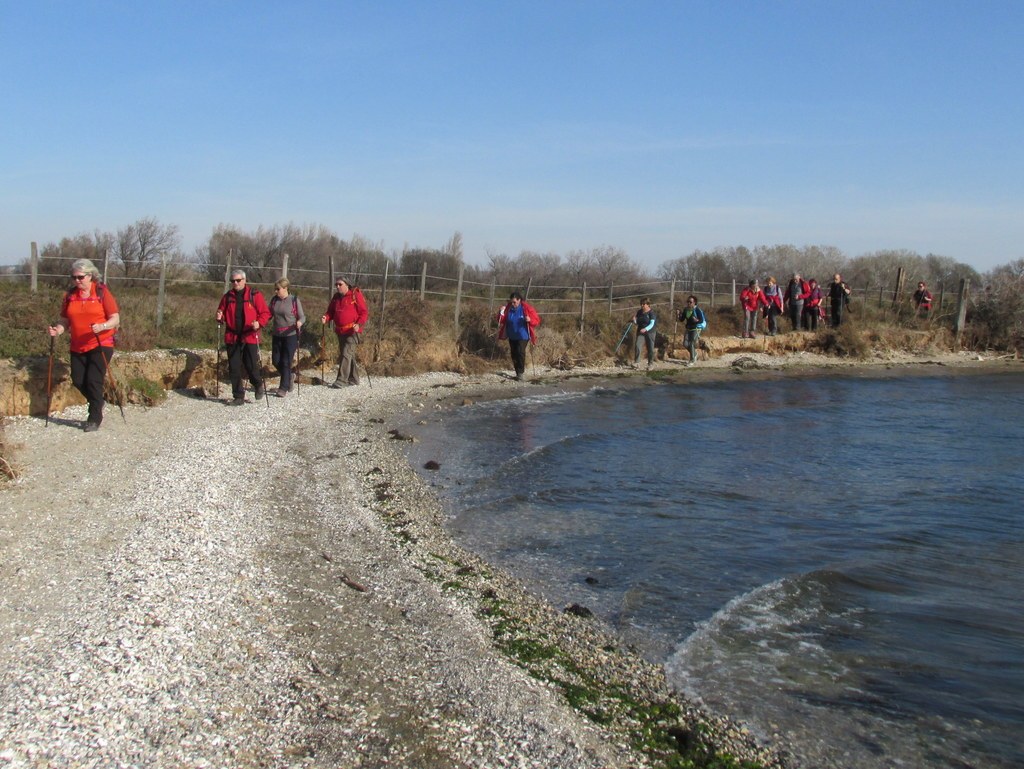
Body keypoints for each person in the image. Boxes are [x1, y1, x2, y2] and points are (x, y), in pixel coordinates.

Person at [47, 259, 120, 431]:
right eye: (73, 277)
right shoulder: (70, 296)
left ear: (90, 276)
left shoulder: (102, 293)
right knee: (79, 381)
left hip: (101, 343)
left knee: (93, 380)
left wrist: (102, 326)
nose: (76, 281)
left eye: (80, 277)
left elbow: (115, 318)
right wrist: (57, 330)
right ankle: (98, 402)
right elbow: (65, 320)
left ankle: (94, 417)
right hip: (78, 345)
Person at [216, 270, 271, 405]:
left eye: (238, 280)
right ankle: (238, 397)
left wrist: (259, 323)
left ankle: (257, 383)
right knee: (234, 367)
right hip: (232, 335)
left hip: (250, 335)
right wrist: (219, 317)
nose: (235, 283)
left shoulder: (254, 295)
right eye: (233, 281)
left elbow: (265, 313)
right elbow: (221, 312)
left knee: (251, 365)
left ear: (244, 280)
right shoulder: (227, 297)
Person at [321, 276, 369, 387]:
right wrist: (326, 318)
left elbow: (364, 312)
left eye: (340, 284)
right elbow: (330, 312)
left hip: (352, 331)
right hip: (340, 331)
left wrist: (359, 324)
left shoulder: (355, 295)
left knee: (346, 354)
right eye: (336, 285)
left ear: (347, 285)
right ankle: (354, 379)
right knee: (348, 355)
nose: (337, 286)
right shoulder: (336, 298)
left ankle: (341, 380)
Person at [269, 278, 305, 396]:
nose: (276, 291)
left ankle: (283, 388)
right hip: (277, 334)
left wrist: (299, 322)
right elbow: (268, 314)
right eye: (275, 289)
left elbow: (302, 317)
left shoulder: (294, 300)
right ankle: (289, 376)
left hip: (291, 335)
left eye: (278, 289)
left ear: (285, 288)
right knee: (275, 360)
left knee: (285, 361)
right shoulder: (274, 300)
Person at [496, 291, 541, 381]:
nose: (512, 304)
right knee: (513, 354)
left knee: (520, 352)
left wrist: (529, 320)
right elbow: (500, 320)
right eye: (511, 302)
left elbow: (536, 320)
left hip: (523, 335)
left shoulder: (526, 308)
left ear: (519, 300)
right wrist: (500, 313)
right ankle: (517, 372)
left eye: (514, 302)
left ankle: (520, 373)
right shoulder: (508, 308)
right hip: (512, 335)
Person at [677, 295, 706, 366]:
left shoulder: (697, 310)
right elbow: (681, 319)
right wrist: (678, 315)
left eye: (690, 302)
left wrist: (696, 320)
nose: (689, 303)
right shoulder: (686, 310)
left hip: (696, 328)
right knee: (685, 344)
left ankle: (692, 360)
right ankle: (694, 354)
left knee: (691, 343)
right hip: (688, 328)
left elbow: (701, 320)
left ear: (694, 303)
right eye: (688, 302)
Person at [633, 299, 656, 368]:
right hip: (640, 331)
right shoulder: (639, 312)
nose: (642, 305)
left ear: (648, 304)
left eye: (644, 304)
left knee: (650, 348)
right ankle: (637, 362)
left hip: (650, 332)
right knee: (637, 345)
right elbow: (637, 322)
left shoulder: (651, 313)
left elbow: (652, 324)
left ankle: (650, 364)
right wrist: (634, 320)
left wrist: (645, 329)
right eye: (641, 304)